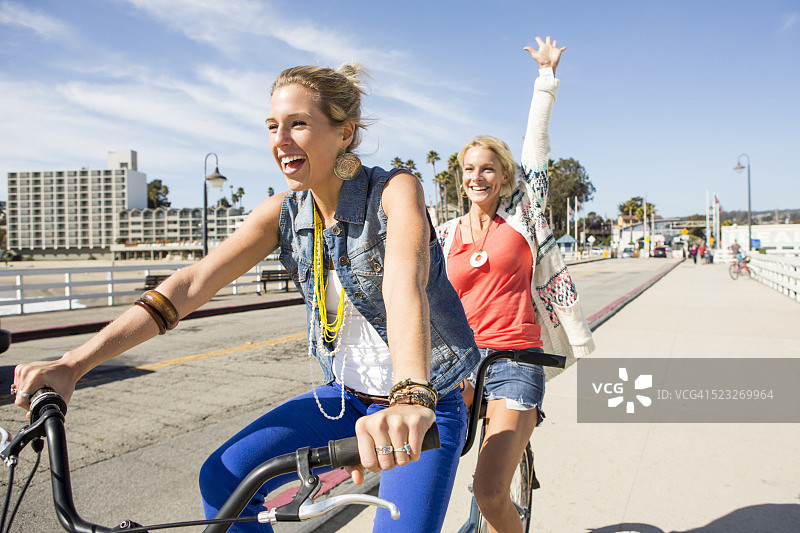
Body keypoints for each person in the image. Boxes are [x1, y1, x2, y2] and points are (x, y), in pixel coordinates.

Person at [12, 64, 480, 532]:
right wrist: (74, 363)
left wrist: (409, 395)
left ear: (345, 134)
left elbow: (404, 281)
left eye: (298, 123)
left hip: (421, 406)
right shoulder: (283, 212)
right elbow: (190, 284)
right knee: (224, 477)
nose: (281, 140)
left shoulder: (394, 190)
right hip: (346, 401)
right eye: (273, 126)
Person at [436, 37, 594, 532]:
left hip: (516, 361)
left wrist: (545, 81)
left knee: (489, 492)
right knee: (421, 463)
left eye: (487, 168)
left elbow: (536, 146)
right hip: (461, 363)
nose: (476, 177)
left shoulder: (524, 216)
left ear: (504, 177)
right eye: (468, 170)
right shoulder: (444, 235)